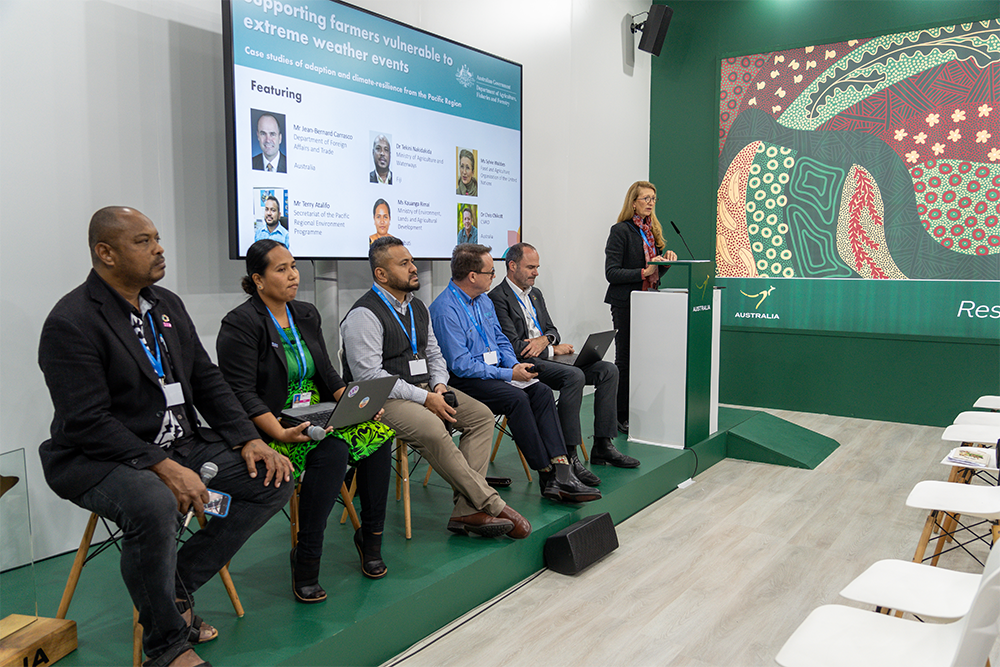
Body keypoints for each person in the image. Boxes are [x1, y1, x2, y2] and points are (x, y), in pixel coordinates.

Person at [38, 206, 293, 667]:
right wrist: (162, 465)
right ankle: (167, 646)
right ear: (105, 253)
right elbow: (86, 422)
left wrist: (247, 437)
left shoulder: (166, 304)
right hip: (99, 457)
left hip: (181, 444)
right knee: (155, 503)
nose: (159, 248)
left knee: (271, 477)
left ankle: (172, 590)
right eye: (143, 241)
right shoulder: (72, 321)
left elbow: (206, 379)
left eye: (157, 238)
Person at [217, 240, 394, 597]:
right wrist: (279, 434)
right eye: (281, 269)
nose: (293, 275)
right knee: (331, 453)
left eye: (294, 266)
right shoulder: (240, 323)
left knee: (380, 435)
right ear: (258, 280)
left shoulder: (306, 314)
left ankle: (371, 538)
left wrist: (355, 405)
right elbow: (242, 394)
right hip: (270, 423)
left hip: (316, 409)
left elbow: (327, 374)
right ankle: (307, 556)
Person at [342, 237, 531, 538]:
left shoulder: (417, 307)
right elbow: (371, 377)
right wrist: (425, 397)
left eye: (412, 261)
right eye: (404, 264)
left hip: (426, 390)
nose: (413, 268)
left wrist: (440, 385)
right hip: (382, 400)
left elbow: (434, 355)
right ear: (381, 274)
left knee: (481, 416)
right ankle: (490, 503)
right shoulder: (363, 315)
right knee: (433, 427)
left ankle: (466, 511)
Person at [429, 244, 601, 503]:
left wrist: (514, 367)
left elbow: (500, 340)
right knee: (517, 399)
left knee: (541, 391)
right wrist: (506, 374)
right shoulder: (445, 310)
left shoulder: (483, 300)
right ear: (473, 276)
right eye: (490, 272)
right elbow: (460, 364)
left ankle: (562, 470)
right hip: (467, 381)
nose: (493, 277)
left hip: (498, 371)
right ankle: (546, 473)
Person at [490, 243, 638, 475]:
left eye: (537, 267)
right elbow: (515, 347)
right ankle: (568, 454)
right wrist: (552, 349)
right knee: (574, 376)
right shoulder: (498, 298)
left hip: (546, 356)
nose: (536, 272)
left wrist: (546, 340)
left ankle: (603, 444)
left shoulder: (535, 294)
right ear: (512, 266)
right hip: (525, 364)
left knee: (608, 370)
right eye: (531, 267)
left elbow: (552, 330)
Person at [605, 181, 677, 433]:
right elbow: (611, 273)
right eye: (645, 198)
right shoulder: (621, 231)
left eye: (653, 198)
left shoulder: (651, 232)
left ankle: (637, 409)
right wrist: (644, 270)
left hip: (649, 303)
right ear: (633, 202)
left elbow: (653, 274)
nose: (650, 202)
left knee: (643, 359)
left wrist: (665, 263)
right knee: (624, 359)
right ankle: (619, 414)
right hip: (626, 303)